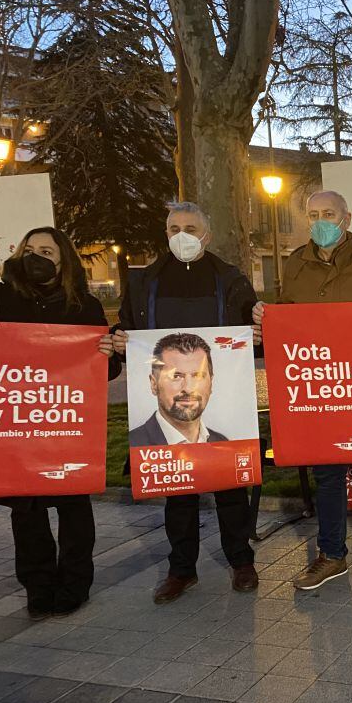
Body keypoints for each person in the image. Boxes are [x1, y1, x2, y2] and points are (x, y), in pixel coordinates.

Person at [252, 190, 352, 595]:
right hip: (319, 387)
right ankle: (331, 555)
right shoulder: (296, 263)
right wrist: (264, 319)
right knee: (327, 474)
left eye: (329, 213)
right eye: (313, 214)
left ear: (347, 217)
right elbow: (285, 317)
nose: (320, 221)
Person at [112, 201, 259, 604]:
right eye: (174, 227)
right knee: (178, 492)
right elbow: (127, 327)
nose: (182, 235)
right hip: (166, 402)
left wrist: (258, 330)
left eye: (191, 228)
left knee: (231, 487)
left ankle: (241, 561)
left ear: (206, 235)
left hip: (221, 394)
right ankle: (181, 570)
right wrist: (121, 339)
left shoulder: (229, 278)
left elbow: (251, 323)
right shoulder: (145, 281)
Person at [0, 227, 118, 618]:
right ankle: (38, 588)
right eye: (29, 249)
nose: (35, 256)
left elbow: (104, 371)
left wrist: (107, 352)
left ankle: (74, 584)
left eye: (46, 250)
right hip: (18, 422)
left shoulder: (84, 306)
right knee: (26, 513)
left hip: (66, 423)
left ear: (63, 260)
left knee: (74, 508)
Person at [129, 333, 226, 447]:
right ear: (154, 384)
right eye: (176, 376)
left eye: (198, 376)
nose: (188, 389)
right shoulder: (133, 445)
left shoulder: (222, 443)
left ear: (211, 383)